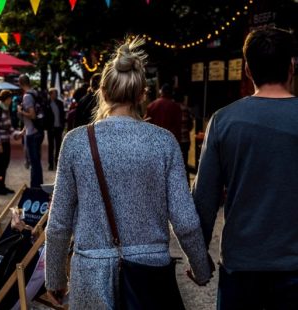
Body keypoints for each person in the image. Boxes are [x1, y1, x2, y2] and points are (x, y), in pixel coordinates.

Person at [45, 37, 212, 309]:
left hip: (91, 272)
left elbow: (59, 222)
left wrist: (54, 277)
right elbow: (185, 221)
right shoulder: (163, 142)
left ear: (102, 91)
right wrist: (201, 268)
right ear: (142, 94)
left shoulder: (76, 142)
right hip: (149, 273)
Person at [192, 28, 298, 310]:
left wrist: (198, 255)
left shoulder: (223, 121)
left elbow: (205, 198)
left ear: (248, 70)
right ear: (292, 66)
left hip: (241, 266)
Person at [0, 90, 21, 195]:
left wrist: (18, 134)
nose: (11, 101)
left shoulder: (5, 110)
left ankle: (2, 185)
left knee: (4, 165)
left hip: (5, 141)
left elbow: (9, 128)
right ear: (6, 99)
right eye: (10, 99)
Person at [17, 74, 44, 188]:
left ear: (20, 83)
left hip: (32, 133)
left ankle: (35, 187)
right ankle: (38, 185)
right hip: (37, 130)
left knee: (34, 162)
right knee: (36, 161)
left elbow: (32, 115)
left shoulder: (27, 96)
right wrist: (24, 129)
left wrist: (20, 111)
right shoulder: (35, 93)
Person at [45, 88, 65, 171]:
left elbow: (62, 115)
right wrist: (48, 126)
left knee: (58, 146)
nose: (56, 95)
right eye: (54, 93)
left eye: (56, 93)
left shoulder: (60, 103)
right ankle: (50, 164)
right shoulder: (46, 104)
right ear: (50, 94)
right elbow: (46, 117)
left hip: (58, 128)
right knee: (51, 147)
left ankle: (57, 163)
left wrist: (62, 125)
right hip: (51, 128)